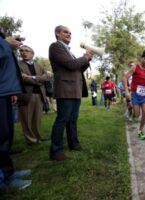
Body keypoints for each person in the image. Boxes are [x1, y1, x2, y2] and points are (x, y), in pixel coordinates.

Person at [49, 25, 93, 161]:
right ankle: (56, 151)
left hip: (74, 90)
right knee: (62, 120)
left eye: (70, 33)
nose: (69, 34)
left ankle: (73, 144)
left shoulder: (69, 51)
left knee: (72, 119)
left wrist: (87, 60)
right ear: (57, 34)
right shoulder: (55, 46)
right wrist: (85, 57)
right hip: (65, 89)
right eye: (65, 32)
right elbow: (71, 65)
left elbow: (77, 68)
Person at [0, 29, 32, 189]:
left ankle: (7, 172)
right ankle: (3, 179)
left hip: (4, 91)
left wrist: (10, 90)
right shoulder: (4, 44)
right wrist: (6, 44)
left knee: (6, 134)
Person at [18, 45, 50, 145]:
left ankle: (37, 136)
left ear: (32, 53)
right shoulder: (17, 64)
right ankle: (30, 140)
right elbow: (23, 78)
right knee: (26, 118)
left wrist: (32, 77)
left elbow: (47, 76)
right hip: (26, 95)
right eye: (21, 51)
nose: (23, 52)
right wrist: (38, 79)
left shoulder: (38, 65)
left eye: (26, 50)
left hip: (39, 94)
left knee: (37, 118)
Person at [123, 50, 145, 140]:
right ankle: (132, 111)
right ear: (142, 58)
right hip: (135, 94)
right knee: (137, 114)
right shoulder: (135, 67)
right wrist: (126, 91)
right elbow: (125, 77)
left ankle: (140, 131)